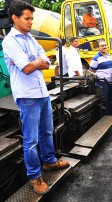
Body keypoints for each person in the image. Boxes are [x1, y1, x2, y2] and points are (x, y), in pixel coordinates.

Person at [2, 0, 69, 195]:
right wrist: (36, 62)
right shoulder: (10, 41)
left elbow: (46, 62)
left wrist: (37, 61)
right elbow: (27, 68)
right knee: (31, 141)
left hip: (42, 93)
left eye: (32, 18)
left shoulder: (30, 38)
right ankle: (35, 176)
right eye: (27, 18)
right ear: (15, 18)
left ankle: (48, 162)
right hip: (27, 96)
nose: (31, 22)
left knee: (47, 131)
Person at [90, 40, 112, 115]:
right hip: (102, 83)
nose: (104, 47)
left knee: (109, 99)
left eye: (105, 45)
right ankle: (105, 117)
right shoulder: (96, 58)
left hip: (110, 82)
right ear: (98, 48)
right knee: (104, 101)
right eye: (102, 46)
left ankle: (110, 115)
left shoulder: (109, 56)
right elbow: (91, 71)